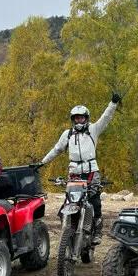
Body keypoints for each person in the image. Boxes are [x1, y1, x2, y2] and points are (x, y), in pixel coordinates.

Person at [39, 93, 122, 244]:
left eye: (81, 118)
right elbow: (56, 149)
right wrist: (42, 163)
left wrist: (113, 103)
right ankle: (70, 230)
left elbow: (106, 117)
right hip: (74, 173)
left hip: (91, 172)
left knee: (94, 201)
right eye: (76, 118)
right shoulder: (68, 134)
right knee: (69, 202)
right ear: (73, 119)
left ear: (86, 118)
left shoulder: (93, 129)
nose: (79, 120)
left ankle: (97, 230)